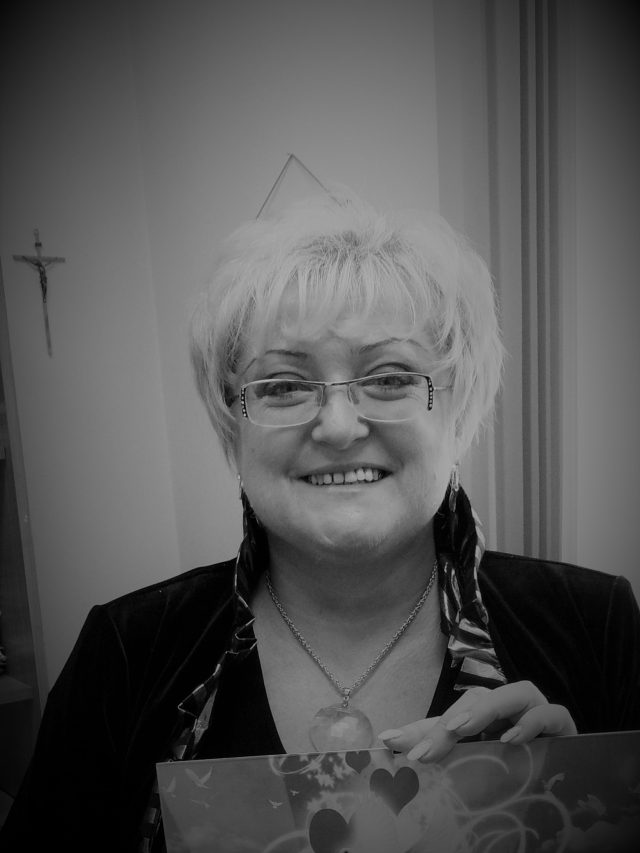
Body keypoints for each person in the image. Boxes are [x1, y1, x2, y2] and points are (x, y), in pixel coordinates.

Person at [2, 190, 639, 852]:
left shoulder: (594, 627)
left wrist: (595, 818)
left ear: (458, 411)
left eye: (389, 378)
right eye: (282, 386)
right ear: (233, 426)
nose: (338, 426)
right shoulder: (128, 651)